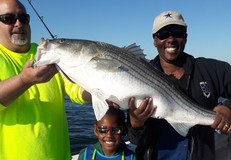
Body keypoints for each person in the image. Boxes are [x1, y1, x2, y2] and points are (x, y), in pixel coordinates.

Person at [127, 10, 231, 160]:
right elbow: (137, 140)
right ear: (154, 40)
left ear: (186, 37)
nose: (171, 39)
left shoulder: (211, 69)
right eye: (163, 34)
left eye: (177, 32)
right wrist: (136, 123)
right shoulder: (138, 74)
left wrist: (228, 107)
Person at [0, 0, 91, 159]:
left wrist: (104, 91)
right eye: (8, 18)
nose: (18, 23)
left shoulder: (50, 52)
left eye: (24, 18)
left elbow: (76, 90)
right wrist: (24, 80)